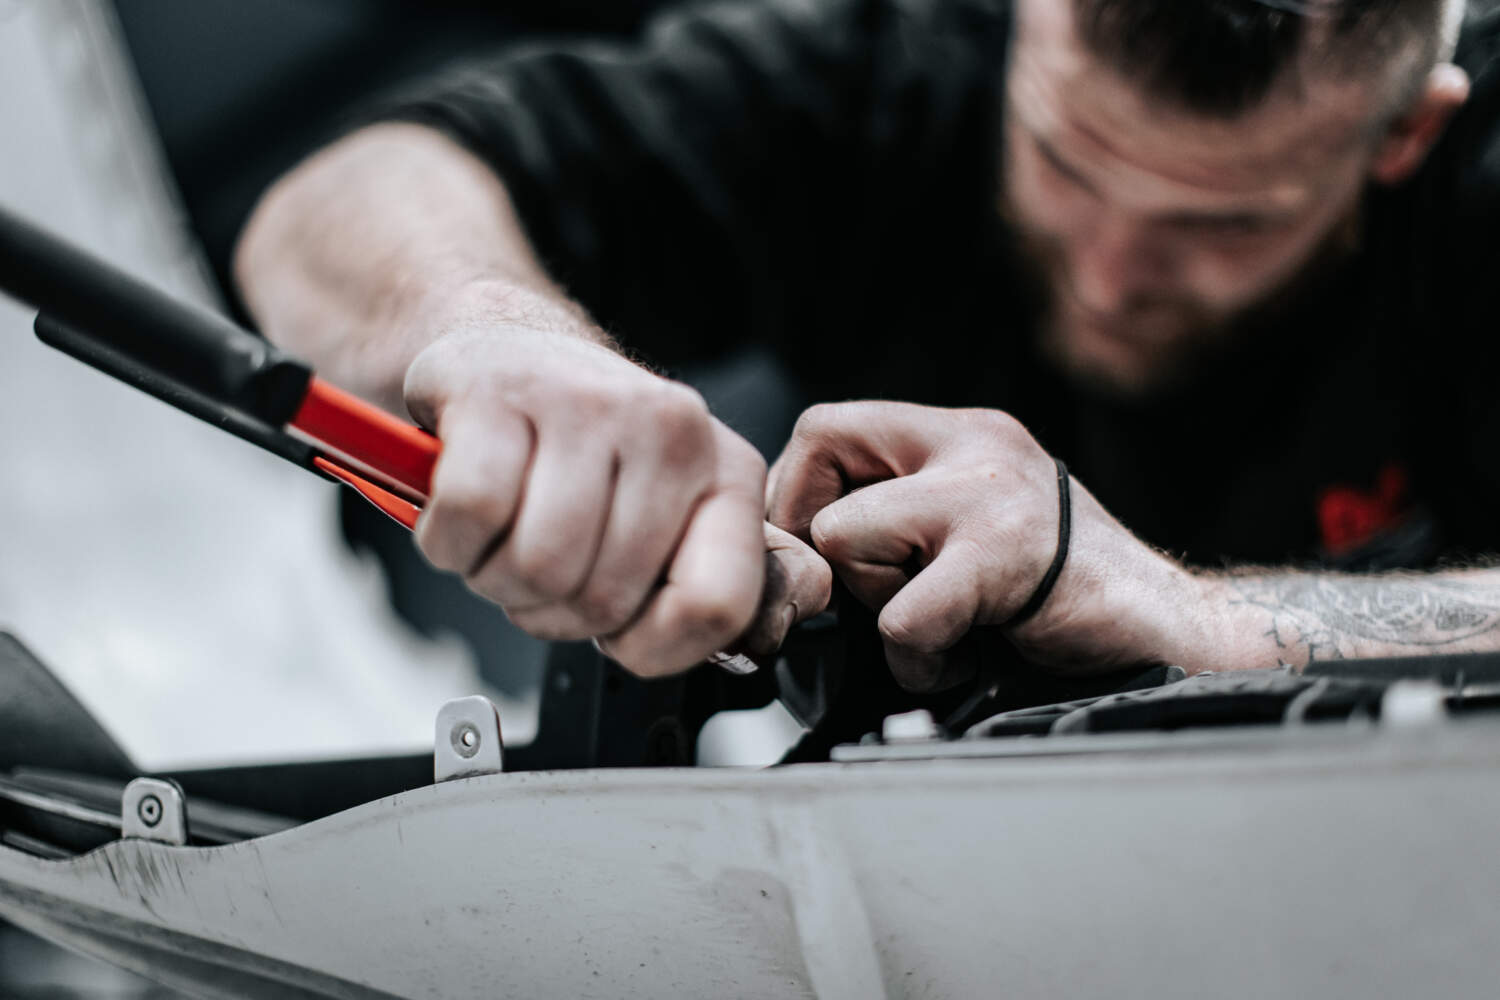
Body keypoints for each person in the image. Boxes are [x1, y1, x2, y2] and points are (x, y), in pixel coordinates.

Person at [234, 0, 1500, 690]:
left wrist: (1194, 616)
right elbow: (330, 204)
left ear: (1404, 137)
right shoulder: (892, 70)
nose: (1115, 274)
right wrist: (503, 337)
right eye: (1064, 160)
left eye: (1222, 223)